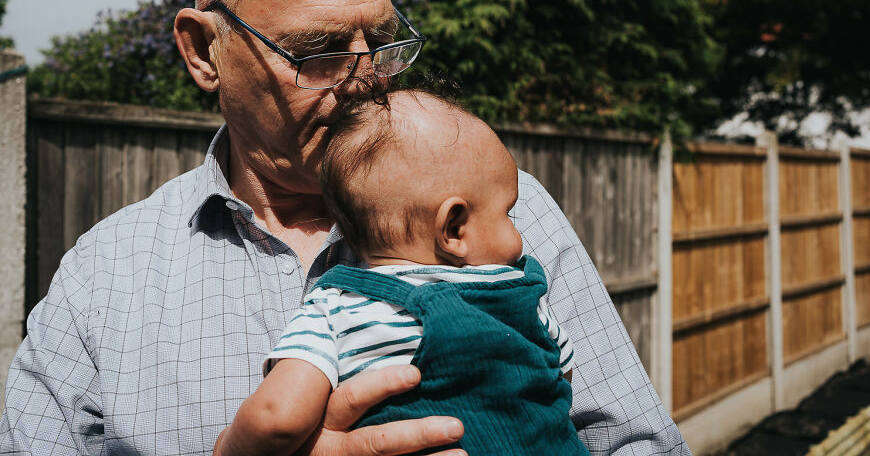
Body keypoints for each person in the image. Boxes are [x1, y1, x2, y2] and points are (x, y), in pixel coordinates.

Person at [0, 0, 689, 455]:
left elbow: (639, 443)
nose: (368, 80)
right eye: (319, 50)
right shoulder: (104, 279)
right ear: (205, 51)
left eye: (381, 40)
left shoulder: (500, 212)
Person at [215, 89, 591, 456]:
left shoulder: (336, 309)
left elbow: (279, 418)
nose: (518, 234)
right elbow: (560, 380)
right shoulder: (522, 291)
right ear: (454, 228)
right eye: (507, 213)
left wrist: (228, 447)